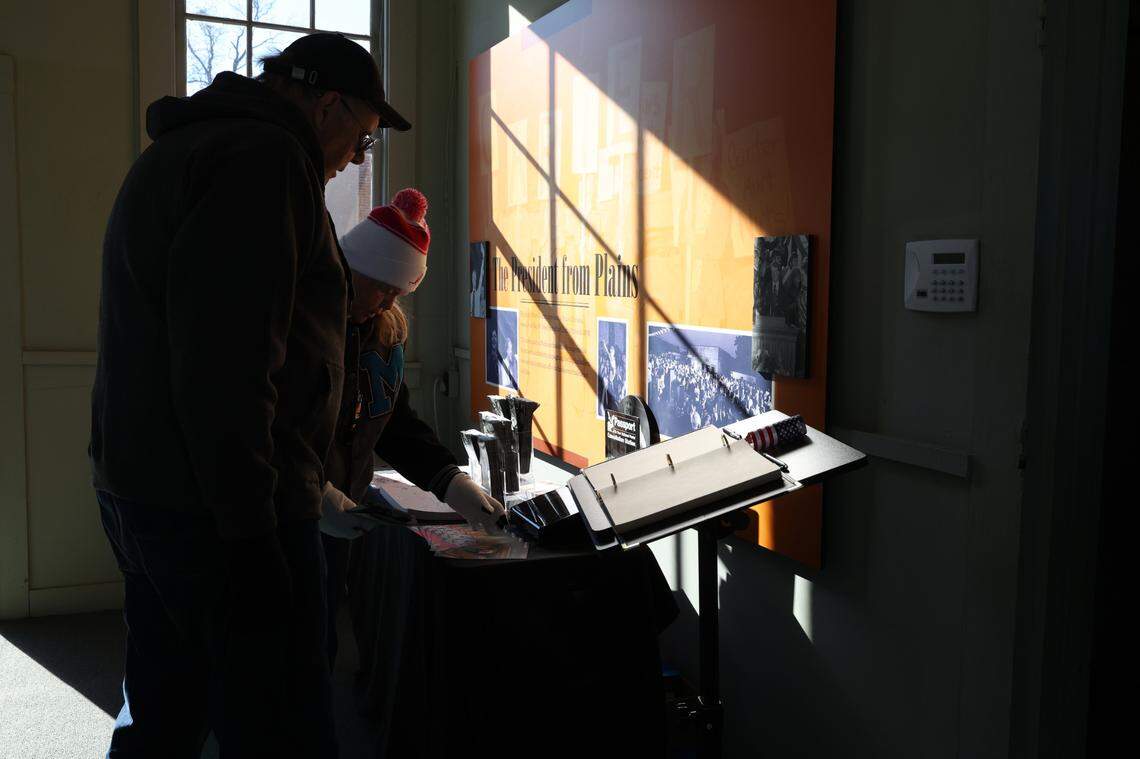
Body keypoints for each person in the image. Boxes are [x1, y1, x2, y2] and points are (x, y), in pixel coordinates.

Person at [90, 32, 411, 758]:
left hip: (145, 487)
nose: (353, 160)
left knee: (163, 709)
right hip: (222, 512)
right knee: (278, 725)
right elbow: (228, 367)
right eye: (362, 139)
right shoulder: (265, 161)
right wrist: (253, 536)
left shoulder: (183, 150)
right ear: (327, 106)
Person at [317, 188, 506, 664]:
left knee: (322, 641)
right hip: (292, 510)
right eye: (382, 287)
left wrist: (451, 480)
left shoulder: (384, 334)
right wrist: (313, 493)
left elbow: (395, 423)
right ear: (350, 269)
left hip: (341, 512)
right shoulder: (307, 329)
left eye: (398, 293)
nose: (388, 303)